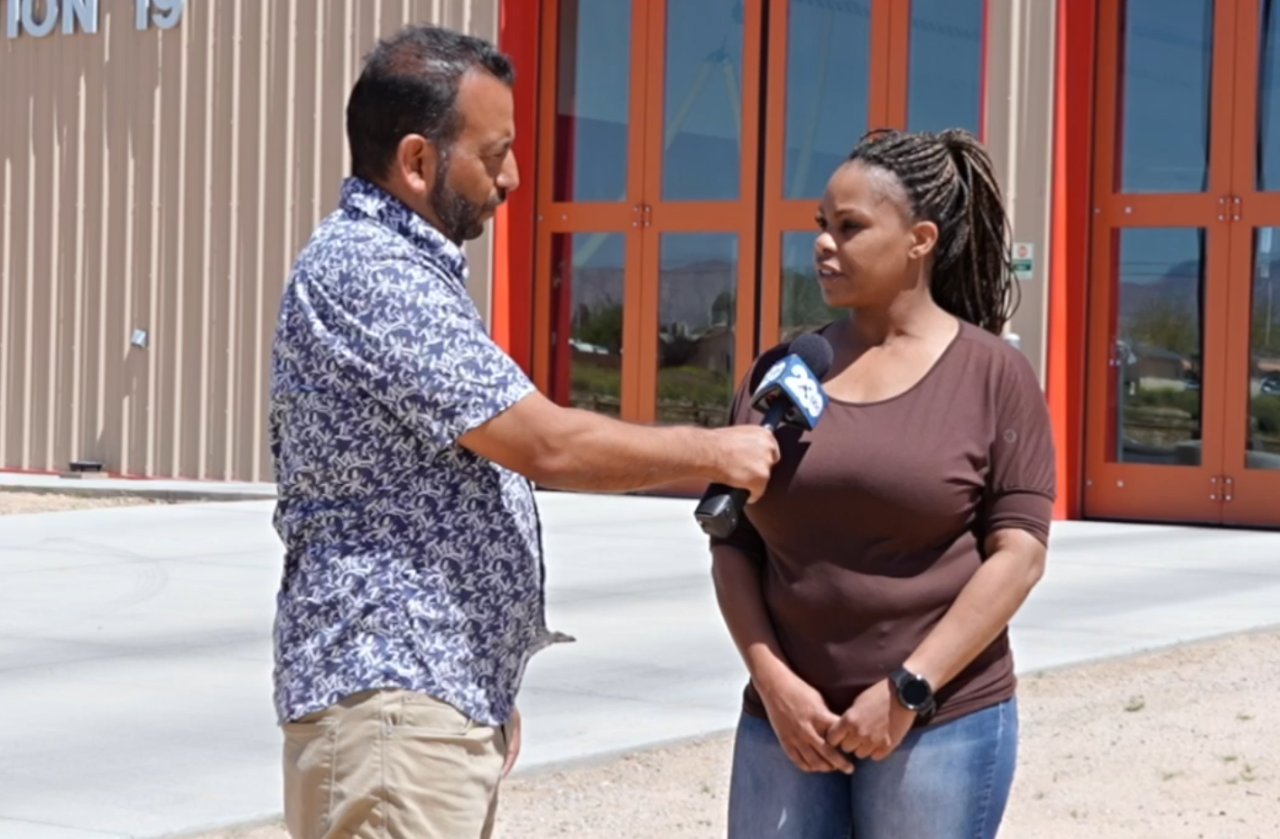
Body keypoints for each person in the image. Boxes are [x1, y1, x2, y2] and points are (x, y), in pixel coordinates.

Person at [268, 25, 779, 839]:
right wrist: (716, 449)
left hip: (425, 701)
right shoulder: (370, 271)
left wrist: (481, 688)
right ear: (417, 162)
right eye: (493, 152)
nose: (512, 178)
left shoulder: (399, 268)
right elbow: (544, 443)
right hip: (393, 707)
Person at [710, 127, 1057, 839]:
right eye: (821, 226)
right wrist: (774, 683)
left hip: (938, 723)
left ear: (919, 239)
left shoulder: (993, 375)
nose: (824, 244)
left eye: (850, 226)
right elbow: (733, 545)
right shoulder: (785, 370)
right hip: (788, 724)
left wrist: (907, 688)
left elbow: (1018, 556)